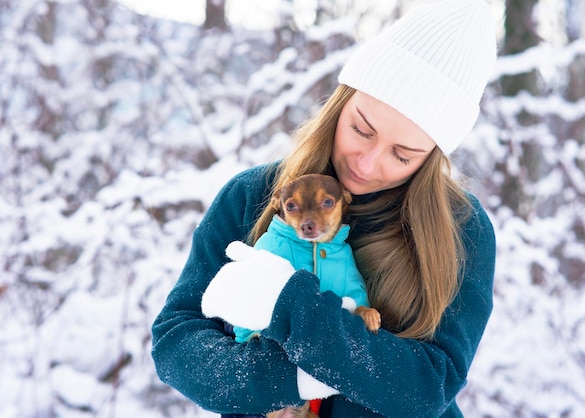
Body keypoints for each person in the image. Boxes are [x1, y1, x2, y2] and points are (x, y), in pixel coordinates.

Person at [151, 0, 497, 416]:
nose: (366, 164)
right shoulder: (253, 195)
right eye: (360, 129)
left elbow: (428, 386)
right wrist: (285, 380)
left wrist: (289, 305)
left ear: (432, 157)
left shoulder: (460, 229)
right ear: (340, 104)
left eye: (402, 155)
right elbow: (177, 339)